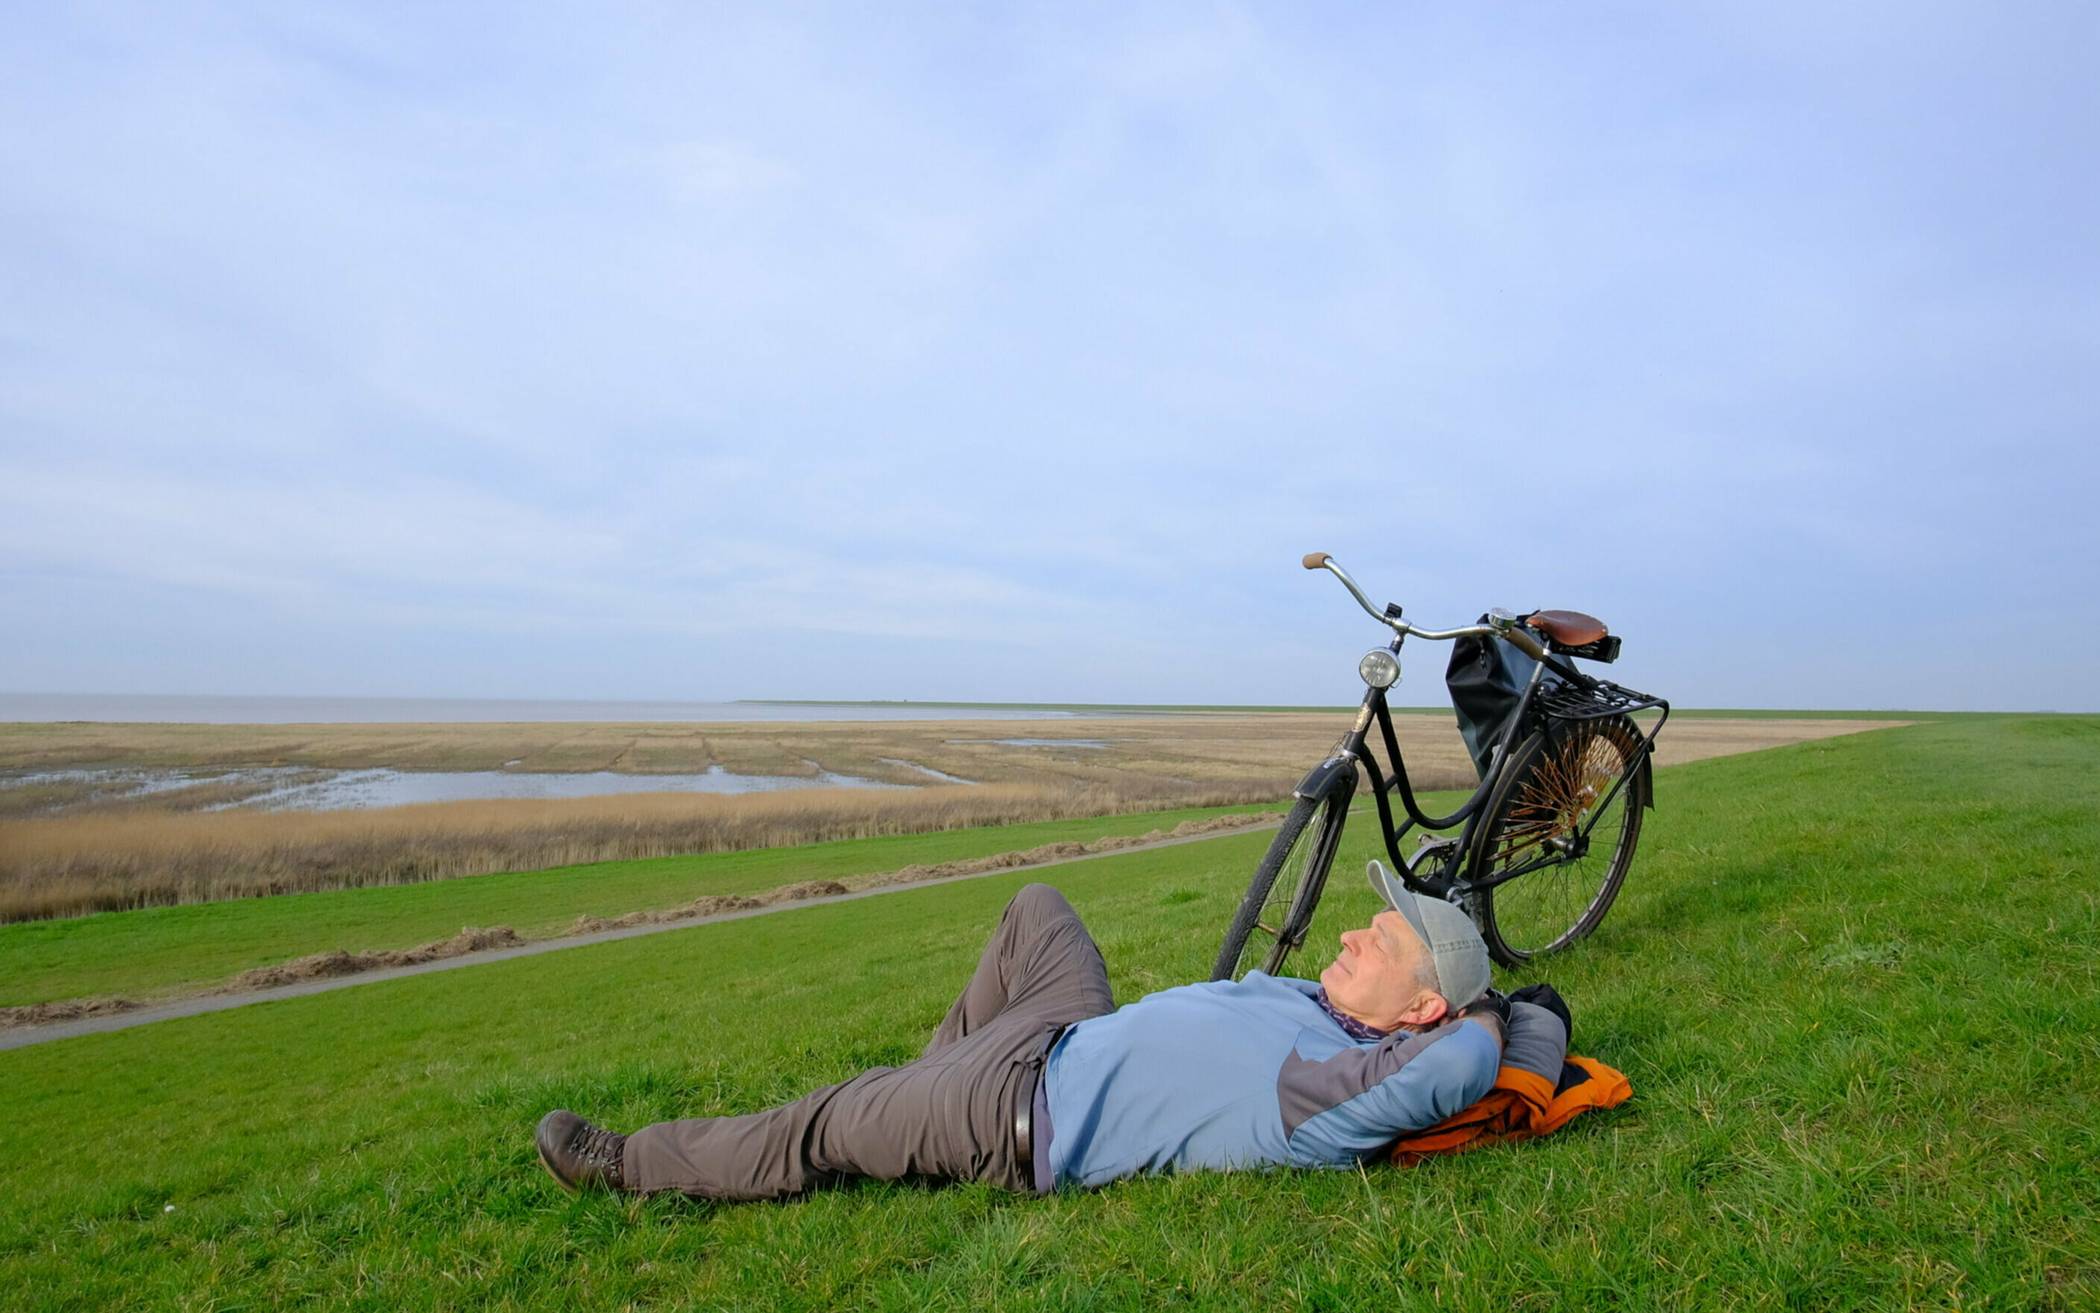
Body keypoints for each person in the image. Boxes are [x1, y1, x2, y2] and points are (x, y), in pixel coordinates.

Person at [535, 862, 1505, 1199]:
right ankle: (916, 1091)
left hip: (1018, 1109)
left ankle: (628, 1161)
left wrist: (1494, 1008)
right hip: (1058, 1034)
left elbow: (1465, 1058)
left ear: (1424, 1010)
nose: (1348, 932)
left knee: (819, 1123)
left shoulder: (1333, 1090)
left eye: (1379, 940)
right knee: (1040, 907)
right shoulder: (1322, 1005)